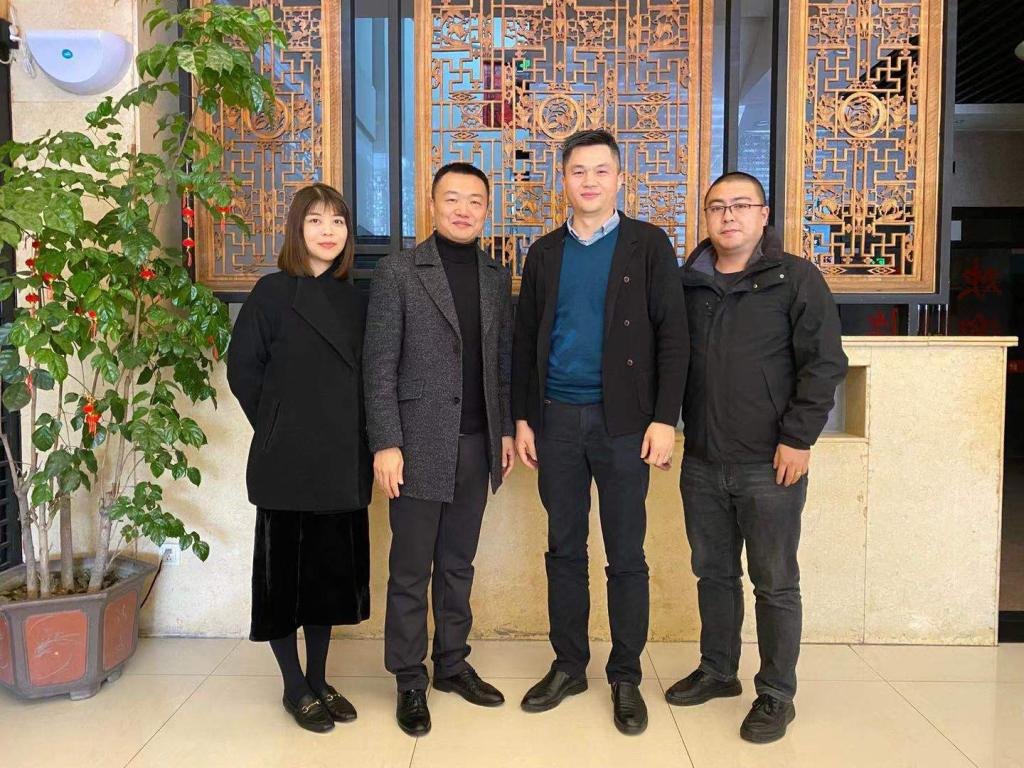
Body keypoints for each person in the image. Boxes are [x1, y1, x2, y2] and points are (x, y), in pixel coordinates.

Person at [511, 129, 688, 735]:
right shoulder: (544, 252)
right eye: (577, 171)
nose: (589, 181)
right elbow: (525, 340)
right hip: (557, 418)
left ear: (619, 179)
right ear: (563, 179)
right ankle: (568, 665)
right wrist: (523, 417)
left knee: (625, 552)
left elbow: (674, 337)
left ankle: (626, 674)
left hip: (625, 424)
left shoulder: (648, 244)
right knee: (564, 547)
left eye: (600, 170)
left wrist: (664, 418)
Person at [667, 171, 848, 744]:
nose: (729, 216)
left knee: (774, 581)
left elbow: (824, 363)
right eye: (717, 207)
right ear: (706, 216)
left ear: (764, 214)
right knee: (713, 573)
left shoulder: (794, 278)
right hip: (702, 459)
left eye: (741, 205)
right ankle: (719, 671)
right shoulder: (688, 283)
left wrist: (798, 438)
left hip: (770, 463)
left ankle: (775, 693)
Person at [364, 161, 515, 737]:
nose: (463, 209)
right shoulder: (400, 271)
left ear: (486, 210)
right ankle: (409, 678)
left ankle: (453, 663)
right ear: (432, 204)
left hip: (477, 443)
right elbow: (379, 366)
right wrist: (386, 442)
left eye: (475, 200)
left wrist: (504, 430)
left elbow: (501, 363)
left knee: (458, 564)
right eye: (452, 198)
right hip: (417, 443)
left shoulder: (496, 276)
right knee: (410, 569)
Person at [227, 183, 372, 734]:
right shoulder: (271, 292)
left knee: (326, 580)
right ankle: (293, 685)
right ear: (297, 229)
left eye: (338, 221)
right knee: (283, 582)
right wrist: (277, 424)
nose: (328, 231)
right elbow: (243, 371)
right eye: (315, 221)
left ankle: (318, 678)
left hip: (341, 460)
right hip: (286, 460)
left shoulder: (357, 299)